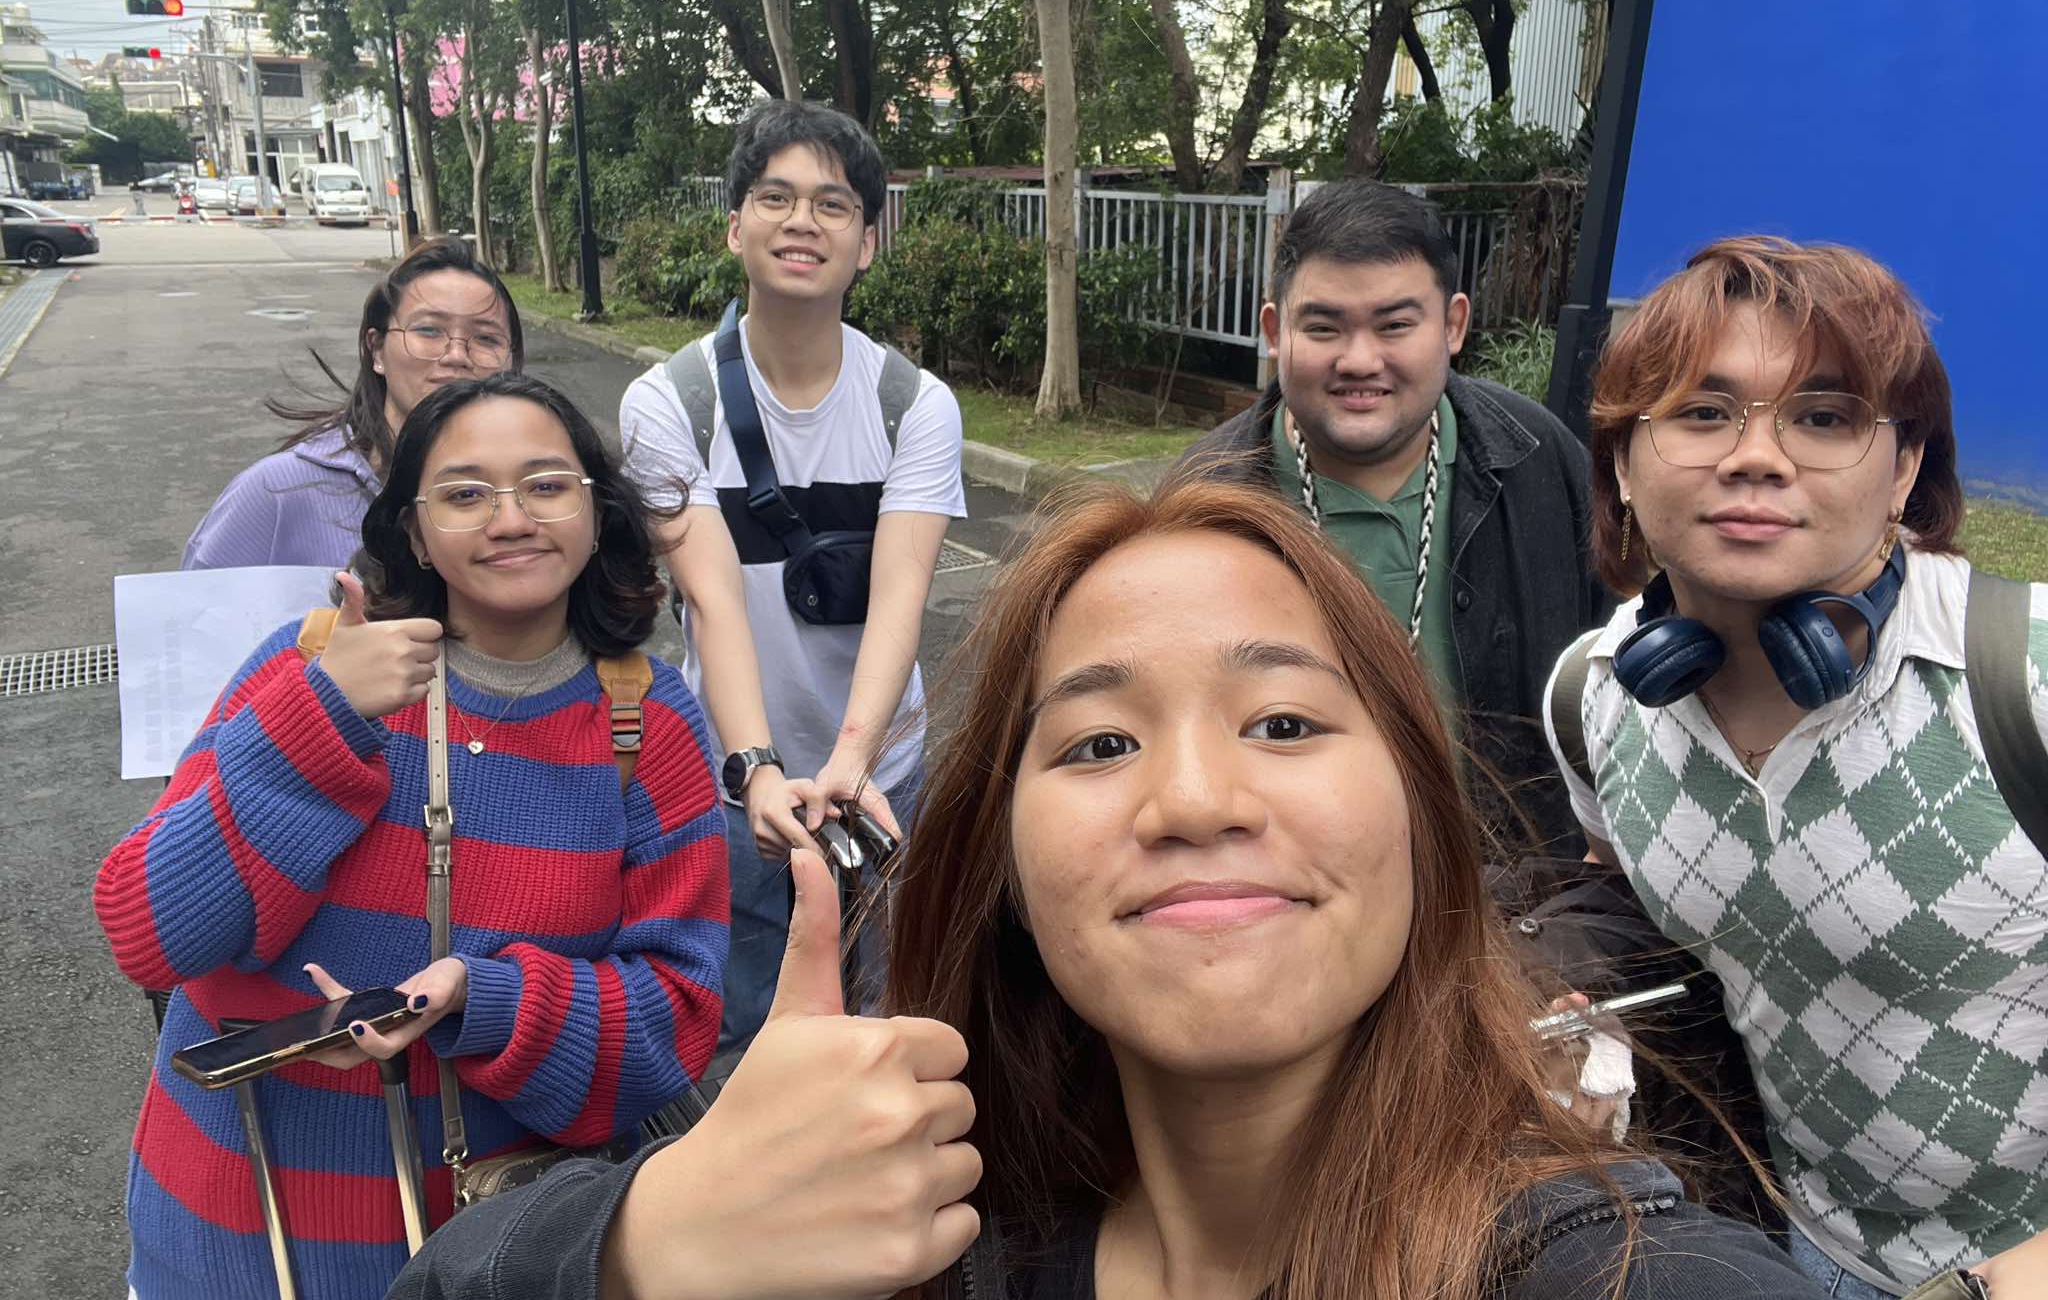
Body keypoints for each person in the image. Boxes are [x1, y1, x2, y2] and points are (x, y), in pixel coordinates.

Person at [384, 477, 1916, 1300]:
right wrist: (651, 1246)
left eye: (1287, 724)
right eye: (1100, 742)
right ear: (1001, 870)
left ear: (1420, 825)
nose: (1193, 801)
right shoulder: (903, 1240)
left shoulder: (1621, 1274)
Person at [95, 374, 728, 1300]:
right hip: (231, 1236)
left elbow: (674, 1023)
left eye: (547, 485)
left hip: (492, 1249)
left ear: (598, 513)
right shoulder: (305, 665)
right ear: (415, 532)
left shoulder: (647, 723)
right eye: (465, 494)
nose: (511, 518)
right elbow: (150, 935)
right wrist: (322, 719)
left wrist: (487, 1002)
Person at [1545, 236, 2048, 1298]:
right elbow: (1617, 896)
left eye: (1822, 418)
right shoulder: (1590, 697)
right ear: (1621, 463)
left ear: (1903, 467)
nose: (1756, 457)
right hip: (1793, 1244)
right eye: (1701, 412)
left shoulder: (2027, 678)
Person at [618, 98, 964, 1052]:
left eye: (832, 204)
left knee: (888, 1003)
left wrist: (853, 764)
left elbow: (901, 595)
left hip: (884, 770)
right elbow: (713, 600)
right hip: (732, 779)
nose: (802, 221)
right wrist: (757, 769)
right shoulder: (668, 402)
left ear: (867, 244)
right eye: (775, 198)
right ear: (735, 227)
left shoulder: (912, 405)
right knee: (745, 1020)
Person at [1183, 178, 1607, 849]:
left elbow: (1610, 653)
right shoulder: (1203, 501)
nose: (1360, 361)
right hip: (1289, 874)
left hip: (1516, 881)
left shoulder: (1539, 458)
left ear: (1453, 325)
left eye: (1395, 326)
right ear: (1275, 332)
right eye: (1324, 327)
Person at [182, 236, 524, 571]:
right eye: (429, 331)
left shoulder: (540, 493)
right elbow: (198, 605)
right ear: (376, 349)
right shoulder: (278, 491)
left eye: (486, 338)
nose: (457, 355)